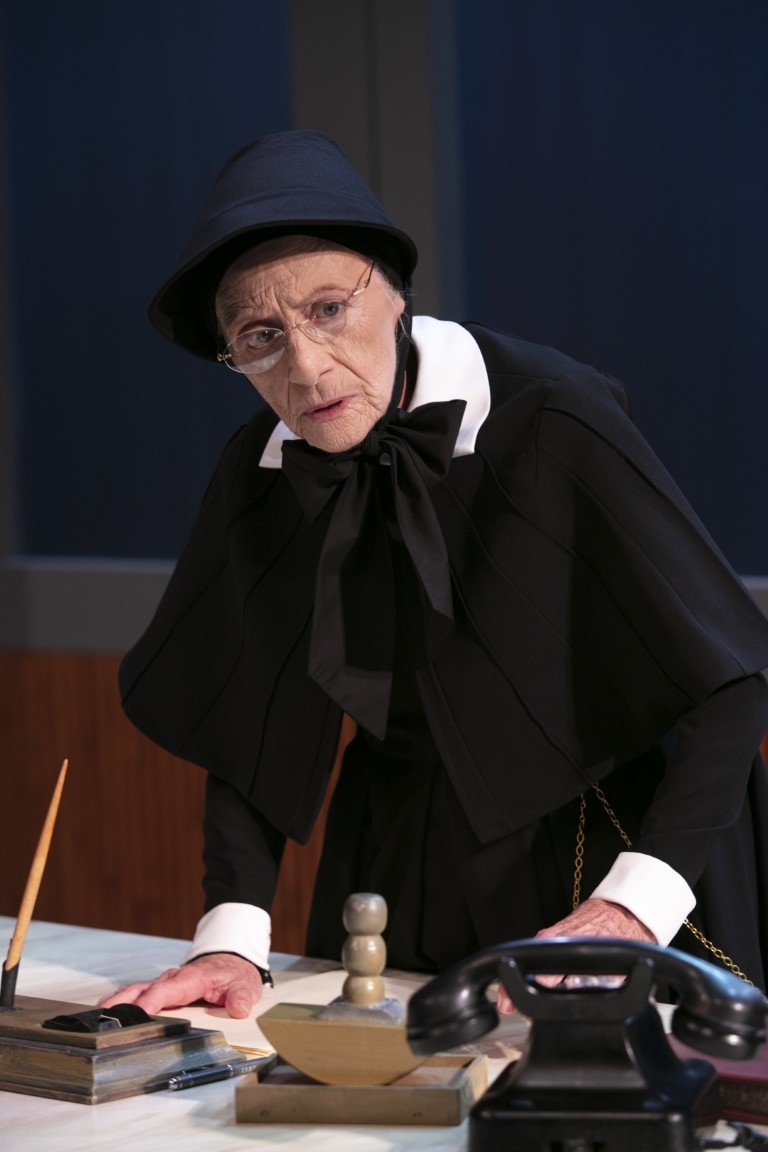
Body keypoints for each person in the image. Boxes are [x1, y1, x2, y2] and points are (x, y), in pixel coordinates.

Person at [101, 130, 768, 1021]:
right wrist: (232, 936)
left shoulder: (554, 411)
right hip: (398, 854)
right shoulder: (259, 471)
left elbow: (733, 679)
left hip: (613, 841)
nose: (305, 367)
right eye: (259, 337)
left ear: (395, 292)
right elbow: (247, 722)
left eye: (328, 309)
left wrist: (633, 904)